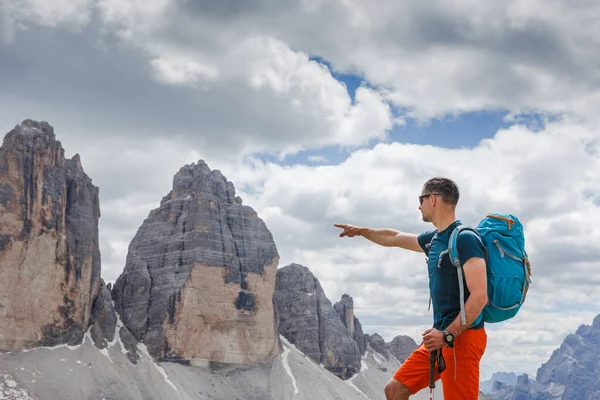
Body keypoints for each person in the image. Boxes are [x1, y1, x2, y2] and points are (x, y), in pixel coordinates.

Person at [334, 177, 488, 400]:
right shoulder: (434, 239)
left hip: (462, 339)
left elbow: (480, 296)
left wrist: (447, 336)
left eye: (421, 199)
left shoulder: (466, 239)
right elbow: (394, 237)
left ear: (432, 200)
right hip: (440, 336)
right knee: (395, 390)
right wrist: (362, 231)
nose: (419, 206)